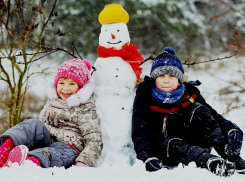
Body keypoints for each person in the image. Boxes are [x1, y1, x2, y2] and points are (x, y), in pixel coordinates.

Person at [132, 47, 245, 177]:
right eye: (161, 76)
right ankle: (208, 161)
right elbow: (140, 132)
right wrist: (147, 157)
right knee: (172, 142)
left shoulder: (189, 93)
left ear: (179, 79)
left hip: (191, 140)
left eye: (172, 76)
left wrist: (232, 129)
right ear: (154, 78)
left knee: (199, 109)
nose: (166, 80)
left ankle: (230, 156)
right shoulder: (145, 96)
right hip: (164, 148)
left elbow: (213, 116)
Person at [0, 59, 102, 168]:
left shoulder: (85, 107)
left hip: (69, 147)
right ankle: (4, 150)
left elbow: (94, 139)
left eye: (72, 83)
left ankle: (28, 163)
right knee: (33, 124)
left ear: (81, 87)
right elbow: (41, 126)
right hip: (49, 139)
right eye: (61, 83)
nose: (65, 88)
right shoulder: (53, 101)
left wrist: (84, 161)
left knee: (51, 154)